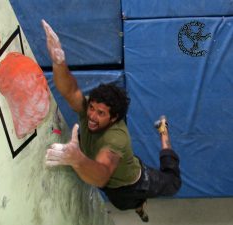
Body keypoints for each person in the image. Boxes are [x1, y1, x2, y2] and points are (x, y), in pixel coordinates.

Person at [42, 20, 181, 222]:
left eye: (100, 113)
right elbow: (70, 90)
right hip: (114, 187)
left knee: (173, 183)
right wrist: (58, 61)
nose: (91, 116)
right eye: (92, 108)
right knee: (123, 204)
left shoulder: (116, 139)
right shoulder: (89, 110)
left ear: (114, 117)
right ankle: (139, 206)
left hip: (136, 182)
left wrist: (77, 159)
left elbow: (102, 174)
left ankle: (163, 131)